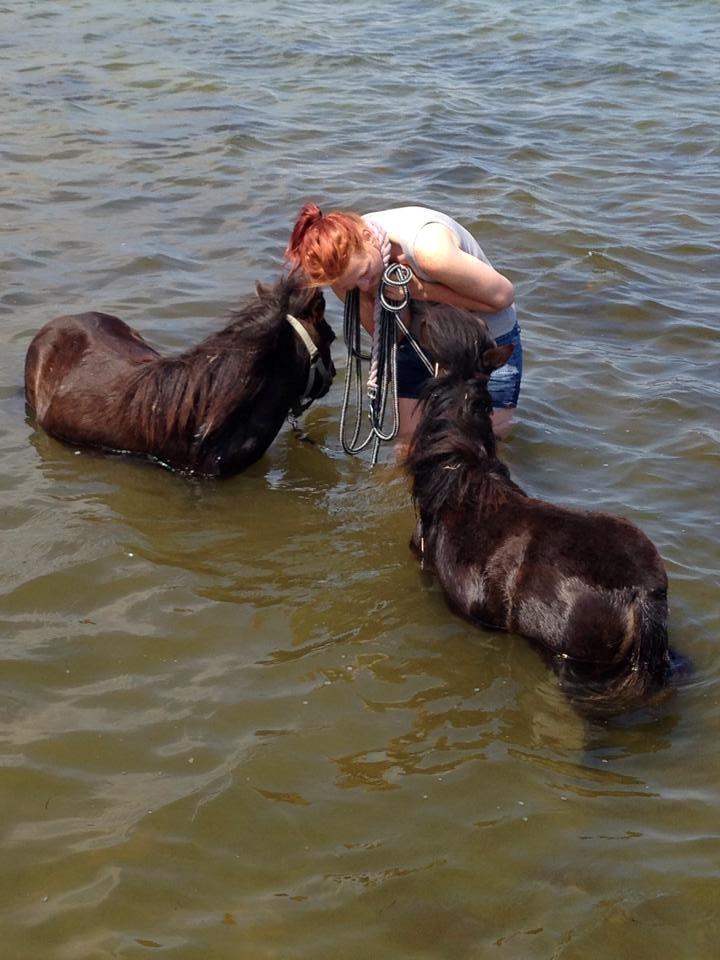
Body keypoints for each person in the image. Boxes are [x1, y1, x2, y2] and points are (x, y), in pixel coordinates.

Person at [285, 203, 522, 439]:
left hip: (485, 341)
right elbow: (394, 338)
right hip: (421, 339)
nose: (364, 285)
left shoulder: (430, 251)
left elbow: (502, 297)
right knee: (408, 444)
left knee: (486, 443)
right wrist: (373, 295)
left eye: (365, 274)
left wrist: (420, 291)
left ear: (367, 237)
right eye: (353, 285)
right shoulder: (346, 276)